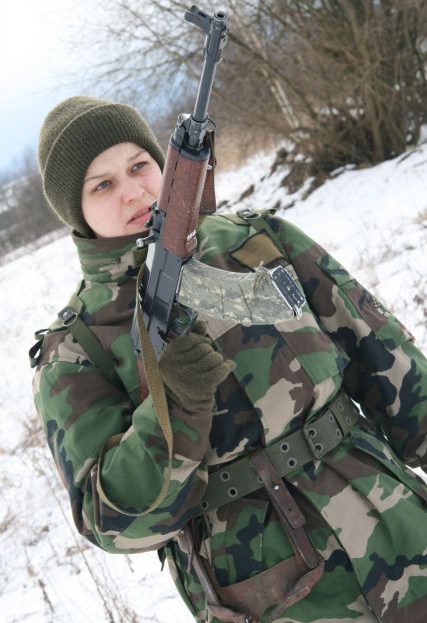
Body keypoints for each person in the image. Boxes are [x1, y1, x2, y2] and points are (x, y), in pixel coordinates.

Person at [31, 95, 427, 623]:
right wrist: (174, 407)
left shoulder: (257, 240)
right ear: (73, 211)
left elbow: (388, 359)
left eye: (139, 166)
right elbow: (115, 525)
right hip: (274, 591)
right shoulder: (73, 352)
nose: (133, 191)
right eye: (102, 185)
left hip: (397, 523)